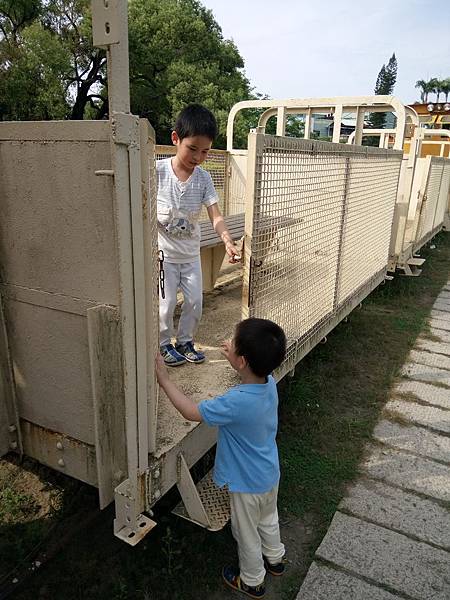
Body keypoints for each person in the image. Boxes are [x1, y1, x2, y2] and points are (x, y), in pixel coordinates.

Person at [155, 317, 287, 599]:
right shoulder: (270, 383)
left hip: (246, 485)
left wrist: (165, 381)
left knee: (246, 533)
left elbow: (191, 412)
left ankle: (252, 581)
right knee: (268, 518)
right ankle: (276, 559)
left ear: (242, 361)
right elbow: (249, 376)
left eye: (234, 344)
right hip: (268, 474)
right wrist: (236, 360)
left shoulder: (236, 403)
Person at [157, 104, 240, 366]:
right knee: (166, 303)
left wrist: (227, 239)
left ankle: (185, 341)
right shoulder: (156, 172)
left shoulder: (203, 179)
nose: (198, 157)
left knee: (195, 301)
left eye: (204, 151)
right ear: (175, 139)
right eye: (192, 149)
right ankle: (162, 344)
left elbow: (215, 215)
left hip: (191, 254)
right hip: (164, 256)